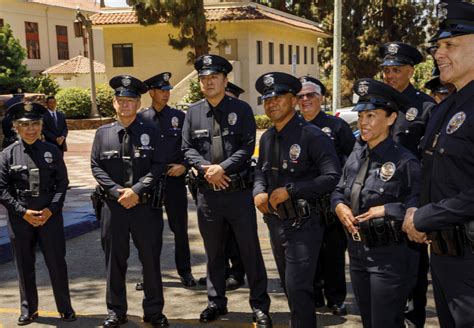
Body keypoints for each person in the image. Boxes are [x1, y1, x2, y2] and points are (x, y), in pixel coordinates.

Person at [182, 54, 271, 327]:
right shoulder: (193, 112)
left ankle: (259, 305)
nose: (208, 82)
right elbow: (187, 148)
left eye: (213, 78)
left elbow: (246, 147)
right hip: (208, 195)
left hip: (237, 193)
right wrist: (208, 169)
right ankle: (215, 302)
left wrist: (224, 169)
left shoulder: (241, 110)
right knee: (214, 252)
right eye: (204, 79)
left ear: (225, 79)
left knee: (249, 251)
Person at [403, 1, 474, 327]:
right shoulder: (446, 108)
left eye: (450, 45)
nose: (438, 53)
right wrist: (414, 210)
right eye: (438, 46)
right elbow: (426, 169)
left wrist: (427, 216)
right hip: (444, 255)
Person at [331, 79, 421, 328]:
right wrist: (339, 206)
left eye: (371, 115)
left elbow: (423, 207)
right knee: (369, 321)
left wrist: (387, 209)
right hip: (358, 254)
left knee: (385, 322)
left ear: (391, 118)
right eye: (361, 115)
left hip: (390, 256)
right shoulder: (357, 154)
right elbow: (338, 190)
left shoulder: (405, 161)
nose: (363, 122)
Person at [254, 72, 341, 327]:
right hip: (275, 222)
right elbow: (260, 169)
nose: (272, 104)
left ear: (293, 100)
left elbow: (333, 176)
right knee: (289, 286)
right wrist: (258, 191)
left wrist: (292, 191)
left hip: (305, 224)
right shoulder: (268, 137)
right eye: (267, 99)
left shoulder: (311, 135)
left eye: (279, 98)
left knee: (298, 287)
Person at [91, 75, 168, 328]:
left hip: (144, 206)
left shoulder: (151, 133)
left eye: (130, 100)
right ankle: (116, 311)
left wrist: (136, 190)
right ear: (114, 103)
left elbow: (158, 166)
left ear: (138, 103)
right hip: (114, 208)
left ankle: (154, 312)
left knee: (150, 260)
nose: (125, 105)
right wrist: (116, 191)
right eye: (121, 101)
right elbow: (96, 166)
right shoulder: (103, 134)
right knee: (114, 261)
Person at [0, 102, 76, 325]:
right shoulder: (6, 155)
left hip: (49, 217)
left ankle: (65, 307)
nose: (31, 129)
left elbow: (63, 184)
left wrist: (50, 210)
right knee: (24, 265)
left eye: (35, 124)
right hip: (20, 218)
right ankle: (28, 310)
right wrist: (23, 212)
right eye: (25, 125)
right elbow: (2, 189)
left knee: (56, 263)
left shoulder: (52, 151)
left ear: (42, 125)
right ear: (16, 127)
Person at [379, 41, 436, 327]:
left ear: (411, 71)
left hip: (412, 200)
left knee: (414, 269)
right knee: (383, 269)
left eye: (396, 70)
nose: (390, 75)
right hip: (379, 200)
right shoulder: (378, 105)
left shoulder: (426, 107)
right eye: (386, 70)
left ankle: (413, 320)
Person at [297, 76, 355, 315]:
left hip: (330, 201)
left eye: (311, 95)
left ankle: (336, 298)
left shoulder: (337, 126)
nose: (305, 99)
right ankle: (315, 295)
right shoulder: (291, 126)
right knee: (308, 254)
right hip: (301, 203)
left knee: (333, 253)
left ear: (321, 98)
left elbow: (354, 160)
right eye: (300, 96)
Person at [137, 72, 196, 289]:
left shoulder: (179, 118)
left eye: (168, 90)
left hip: (174, 180)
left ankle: (185, 271)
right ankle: (148, 274)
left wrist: (185, 166)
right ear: (151, 92)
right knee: (150, 232)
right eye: (161, 90)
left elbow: (189, 148)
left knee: (179, 229)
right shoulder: (141, 119)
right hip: (150, 183)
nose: (166, 94)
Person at [197, 81, 247, 290]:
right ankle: (219, 275)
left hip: (235, 186)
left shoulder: (240, 116)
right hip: (208, 187)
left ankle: (237, 272)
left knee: (236, 238)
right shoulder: (201, 115)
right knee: (216, 240)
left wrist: (222, 170)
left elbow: (244, 150)